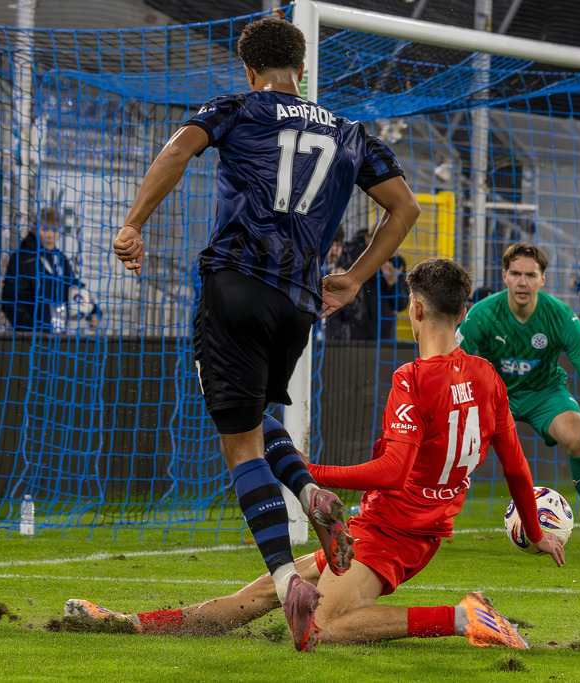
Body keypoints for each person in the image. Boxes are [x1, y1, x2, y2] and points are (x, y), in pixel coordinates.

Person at [109, 16, 420, 651]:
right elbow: (406, 207)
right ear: (301, 70)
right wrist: (356, 279)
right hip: (299, 305)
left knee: (240, 446)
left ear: (250, 70)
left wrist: (134, 223)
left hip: (235, 284)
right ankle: (310, 490)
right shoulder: (350, 132)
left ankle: (286, 582)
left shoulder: (238, 106)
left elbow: (176, 151)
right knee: (251, 418)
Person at [64, 258, 564, 650]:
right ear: (464, 309)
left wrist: (305, 473)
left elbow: (392, 472)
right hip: (411, 527)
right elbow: (517, 466)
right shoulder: (487, 375)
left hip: (391, 530)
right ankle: (131, 626)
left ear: (414, 309)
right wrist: (535, 532)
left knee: (321, 630)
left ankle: (461, 617)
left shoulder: (412, 379)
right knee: (272, 592)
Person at [457, 243, 580, 553]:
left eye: (530, 274)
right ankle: (416, 516)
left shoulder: (561, 317)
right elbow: (451, 364)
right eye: (515, 274)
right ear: (504, 276)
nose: (522, 282)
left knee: (578, 437)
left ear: (542, 279)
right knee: (454, 445)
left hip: (545, 392)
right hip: (496, 394)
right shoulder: (482, 315)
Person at [1, 207, 100, 331]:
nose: (50, 235)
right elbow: (9, 300)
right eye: (45, 229)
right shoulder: (22, 259)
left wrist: (93, 311)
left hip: (58, 336)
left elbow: (74, 288)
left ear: (61, 230)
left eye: (54, 230)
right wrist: (30, 328)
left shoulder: (61, 259)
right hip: (29, 338)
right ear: (34, 229)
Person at [326, 222, 409, 341]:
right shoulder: (348, 256)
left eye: (392, 243)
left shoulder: (395, 265)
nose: (387, 247)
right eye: (382, 241)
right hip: (348, 337)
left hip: (382, 338)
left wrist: (392, 283)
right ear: (368, 238)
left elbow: (401, 304)